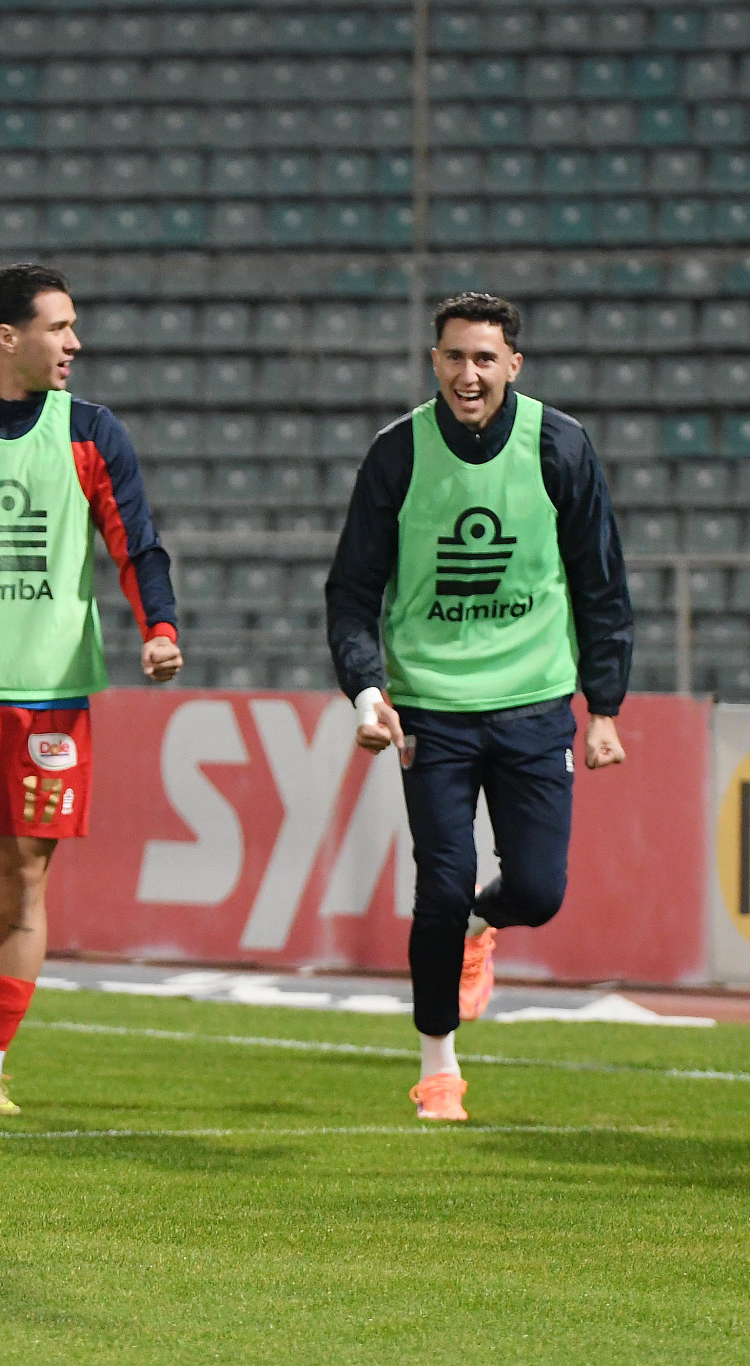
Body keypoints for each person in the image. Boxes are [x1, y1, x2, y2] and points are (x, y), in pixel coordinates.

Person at [0, 263, 182, 1117]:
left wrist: (157, 627)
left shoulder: (91, 433)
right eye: (60, 328)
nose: (75, 344)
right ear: (8, 338)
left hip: (51, 697)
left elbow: (137, 541)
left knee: (23, 883)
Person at [325, 292, 633, 1122]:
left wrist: (603, 706)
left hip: (535, 706)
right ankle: (439, 1068)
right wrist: (367, 690)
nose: (470, 374)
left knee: (536, 891)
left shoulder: (560, 445)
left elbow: (602, 585)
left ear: (514, 365)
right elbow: (352, 593)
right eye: (455, 357)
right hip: (433, 710)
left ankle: (481, 929)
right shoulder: (397, 454)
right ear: (435, 361)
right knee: (442, 884)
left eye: (486, 358)